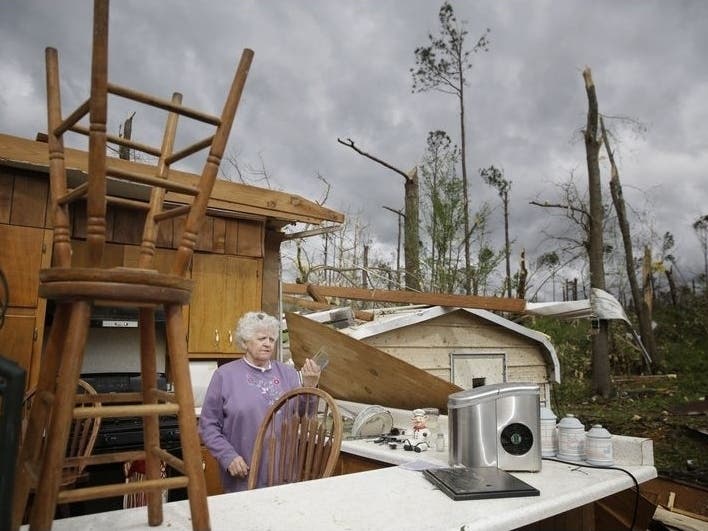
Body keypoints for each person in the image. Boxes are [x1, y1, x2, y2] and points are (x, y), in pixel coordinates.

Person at [198, 311, 321, 492]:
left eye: (271, 340)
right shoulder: (225, 375)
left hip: (284, 473)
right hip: (244, 473)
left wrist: (310, 387)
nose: (267, 344)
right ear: (245, 342)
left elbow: (305, 416)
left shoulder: (288, 374)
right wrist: (228, 456)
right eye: (261, 338)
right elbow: (208, 426)